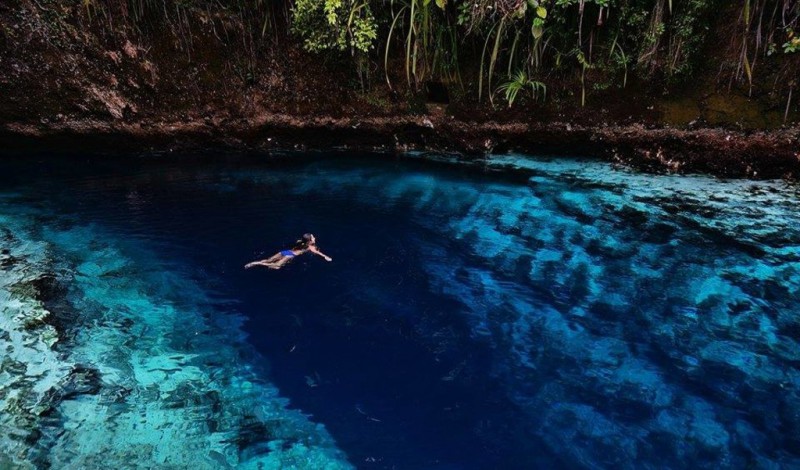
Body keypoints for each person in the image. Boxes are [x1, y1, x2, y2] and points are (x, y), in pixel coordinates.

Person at [245, 233, 332, 270]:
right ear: (309, 241)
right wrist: (325, 257)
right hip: (290, 255)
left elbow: (297, 245)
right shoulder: (310, 247)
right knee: (275, 266)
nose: (315, 238)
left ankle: (257, 262)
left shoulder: (300, 241)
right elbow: (317, 252)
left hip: (286, 252)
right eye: (313, 238)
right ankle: (256, 263)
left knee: (269, 260)